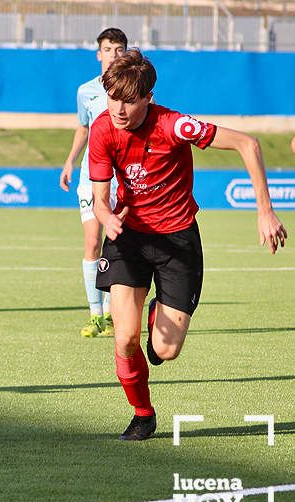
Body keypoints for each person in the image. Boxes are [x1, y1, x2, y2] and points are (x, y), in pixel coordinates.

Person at [89, 49, 288, 441]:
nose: (120, 108)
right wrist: (106, 217)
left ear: (148, 97)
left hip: (177, 240)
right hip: (127, 235)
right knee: (124, 338)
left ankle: (156, 317)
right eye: (113, 97)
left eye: (130, 100)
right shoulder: (102, 128)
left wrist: (265, 210)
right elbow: (99, 198)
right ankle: (143, 414)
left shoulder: (175, 125)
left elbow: (249, 144)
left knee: (164, 350)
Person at [59, 28, 128, 338]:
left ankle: (114, 314)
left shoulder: (132, 90)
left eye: (118, 49)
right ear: (99, 54)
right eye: (108, 49)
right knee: (92, 241)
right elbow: (83, 128)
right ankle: (95, 313)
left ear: (126, 53)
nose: (113, 54)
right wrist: (69, 161)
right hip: (91, 177)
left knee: (119, 244)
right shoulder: (86, 91)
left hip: (124, 179)